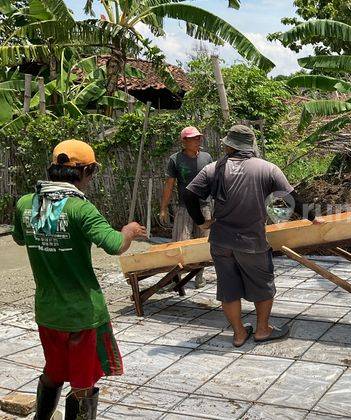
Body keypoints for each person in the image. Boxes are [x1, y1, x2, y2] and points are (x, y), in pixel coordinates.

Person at [12, 140, 147, 420]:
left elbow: (19, 237)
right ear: (86, 171)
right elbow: (114, 245)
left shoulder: (26, 204)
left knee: (53, 371)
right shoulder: (80, 209)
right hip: (83, 314)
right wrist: (129, 231)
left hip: (48, 311)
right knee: (83, 383)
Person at [184, 124, 323, 346]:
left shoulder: (212, 168)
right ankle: (262, 330)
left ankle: (239, 333)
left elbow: (189, 195)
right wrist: (313, 217)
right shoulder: (268, 169)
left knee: (228, 289)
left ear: (229, 145)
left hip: (220, 241)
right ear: (250, 146)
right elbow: (292, 197)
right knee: (263, 285)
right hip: (251, 241)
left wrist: (202, 222)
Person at [160, 126, 213, 288]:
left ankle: (199, 277)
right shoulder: (175, 159)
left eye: (199, 137)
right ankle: (176, 279)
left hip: (204, 207)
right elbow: (169, 185)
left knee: (203, 243)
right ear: (184, 141)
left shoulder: (206, 158)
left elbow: (214, 181)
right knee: (180, 243)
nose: (198, 140)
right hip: (184, 207)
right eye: (194, 138)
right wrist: (163, 208)